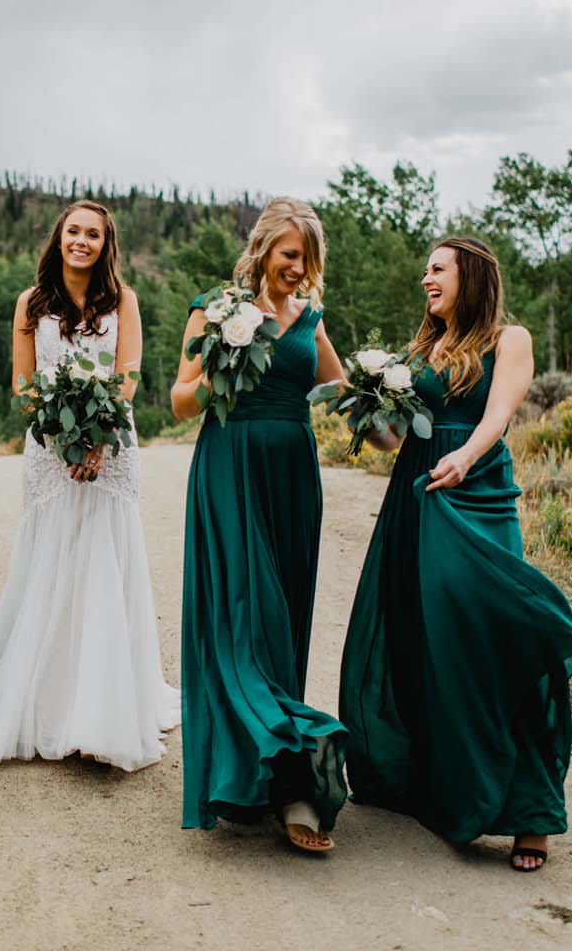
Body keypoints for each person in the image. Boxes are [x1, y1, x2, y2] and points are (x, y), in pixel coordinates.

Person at [337, 236, 572, 872]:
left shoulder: (510, 339)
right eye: (426, 269)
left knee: (491, 637)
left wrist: (465, 457)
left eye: (438, 269)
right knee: (424, 637)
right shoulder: (421, 350)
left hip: (474, 489)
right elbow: (395, 438)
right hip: (416, 494)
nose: (427, 278)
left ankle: (532, 813)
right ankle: (437, 784)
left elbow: (498, 415)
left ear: (469, 276)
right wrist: (369, 414)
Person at [0, 200, 179, 771]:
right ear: (58, 237)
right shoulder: (30, 304)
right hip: (50, 448)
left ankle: (104, 707)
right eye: (73, 231)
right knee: (52, 559)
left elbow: (128, 375)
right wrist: (64, 438)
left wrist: (101, 437)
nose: (82, 241)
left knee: (104, 558)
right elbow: (22, 381)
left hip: (111, 445)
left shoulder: (122, 300)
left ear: (107, 244)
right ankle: (45, 699)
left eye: (93, 234)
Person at [173, 198, 349, 852]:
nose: (298, 270)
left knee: (284, 626)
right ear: (265, 250)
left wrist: (387, 407)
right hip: (230, 468)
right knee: (243, 623)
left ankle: (276, 780)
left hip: (295, 480)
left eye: (306, 260)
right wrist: (222, 360)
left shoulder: (312, 319)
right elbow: (180, 399)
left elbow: (341, 392)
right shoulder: (216, 310)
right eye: (290, 257)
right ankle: (296, 771)